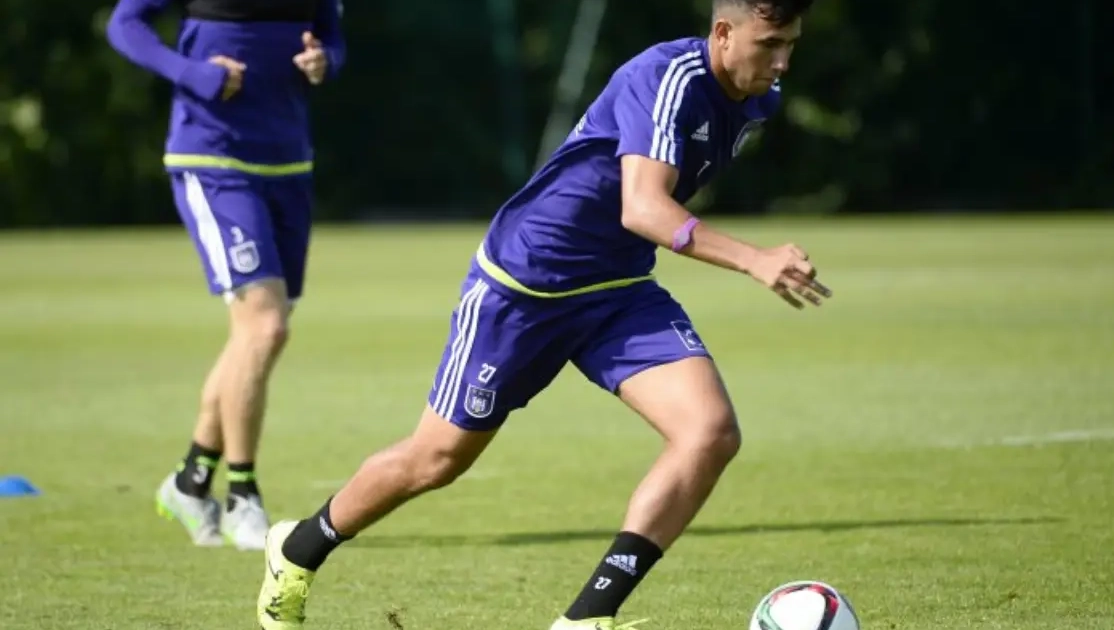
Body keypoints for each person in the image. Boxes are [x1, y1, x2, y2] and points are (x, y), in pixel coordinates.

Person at [256, 0, 826, 627]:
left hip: (617, 291)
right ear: (722, 32)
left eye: (791, 44)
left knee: (710, 433)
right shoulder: (666, 78)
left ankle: (587, 618)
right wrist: (753, 259)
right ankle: (298, 549)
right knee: (437, 459)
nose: (782, 62)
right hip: (523, 287)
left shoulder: (757, 100)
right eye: (769, 44)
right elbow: (643, 207)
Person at [105, 0, 346, 551]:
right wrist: (194, 74)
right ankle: (243, 497)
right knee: (266, 327)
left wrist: (325, 61)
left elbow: (331, 35)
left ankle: (190, 483)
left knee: (254, 337)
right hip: (214, 159)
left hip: (288, 162)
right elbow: (125, 23)